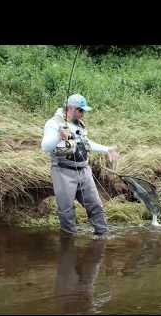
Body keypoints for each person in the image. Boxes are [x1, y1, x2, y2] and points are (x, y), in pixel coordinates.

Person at [41, 94, 118, 235]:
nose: (83, 114)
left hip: (84, 170)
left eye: (84, 111)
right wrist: (59, 135)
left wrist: (107, 149)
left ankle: (103, 236)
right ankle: (68, 242)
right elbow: (45, 147)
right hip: (63, 171)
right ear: (70, 108)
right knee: (66, 210)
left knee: (96, 205)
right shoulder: (53, 123)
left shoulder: (79, 124)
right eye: (80, 110)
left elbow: (86, 143)